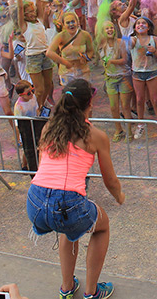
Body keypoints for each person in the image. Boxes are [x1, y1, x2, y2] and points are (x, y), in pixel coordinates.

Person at [27, 79, 123, 299]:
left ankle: (67, 287)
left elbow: (43, 166)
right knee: (102, 226)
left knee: (68, 230)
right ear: (90, 104)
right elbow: (110, 180)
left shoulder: (49, 128)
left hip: (35, 200)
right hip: (67, 201)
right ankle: (92, 291)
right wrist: (119, 195)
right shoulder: (95, 135)